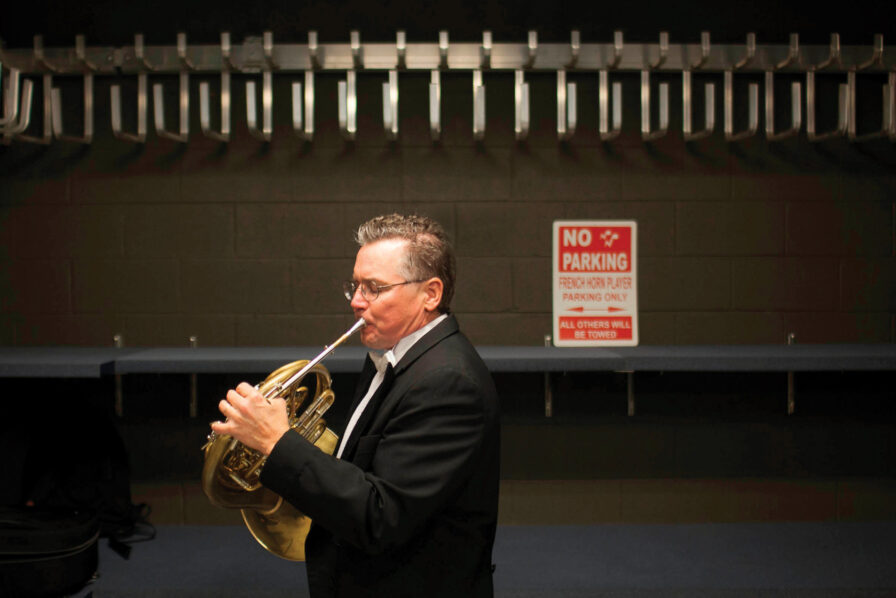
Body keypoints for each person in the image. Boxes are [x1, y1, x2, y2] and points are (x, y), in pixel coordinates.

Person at [211, 213, 501, 597]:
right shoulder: (390, 352)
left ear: (430, 294)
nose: (356, 301)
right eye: (355, 285)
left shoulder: (448, 382)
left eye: (374, 288)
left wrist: (277, 441)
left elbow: (380, 517)